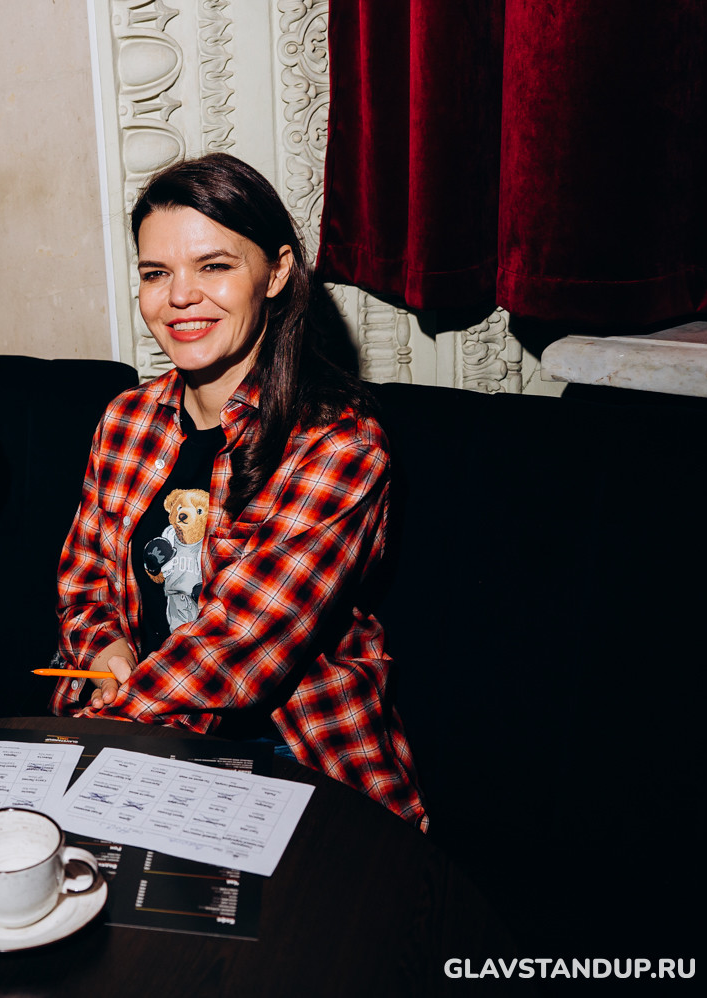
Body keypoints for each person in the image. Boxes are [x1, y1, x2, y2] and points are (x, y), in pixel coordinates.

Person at [50, 153, 427, 829]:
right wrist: (103, 651)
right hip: (141, 730)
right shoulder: (125, 419)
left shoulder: (339, 442)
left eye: (214, 266)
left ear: (276, 273)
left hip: (291, 750)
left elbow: (239, 646)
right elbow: (83, 582)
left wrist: (97, 730)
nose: (180, 297)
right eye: (155, 273)